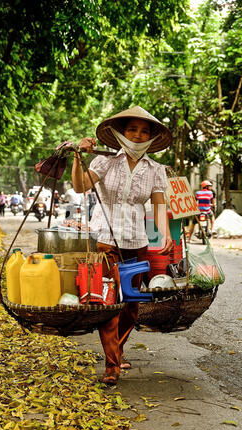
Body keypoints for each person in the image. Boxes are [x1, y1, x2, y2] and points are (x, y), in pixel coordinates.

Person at [70, 105, 173, 385]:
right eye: (132, 129)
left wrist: (164, 234)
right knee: (110, 300)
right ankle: (111, 365)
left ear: (151, 137)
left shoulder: (156, 170)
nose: (138, 136)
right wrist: (79, 157)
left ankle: (117, 347)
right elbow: (80, 187)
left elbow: (159, 205)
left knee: (131, 304)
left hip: (137, 241)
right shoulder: (105, 162)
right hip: (104, 240)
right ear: (121, 133)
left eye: (144, 131)